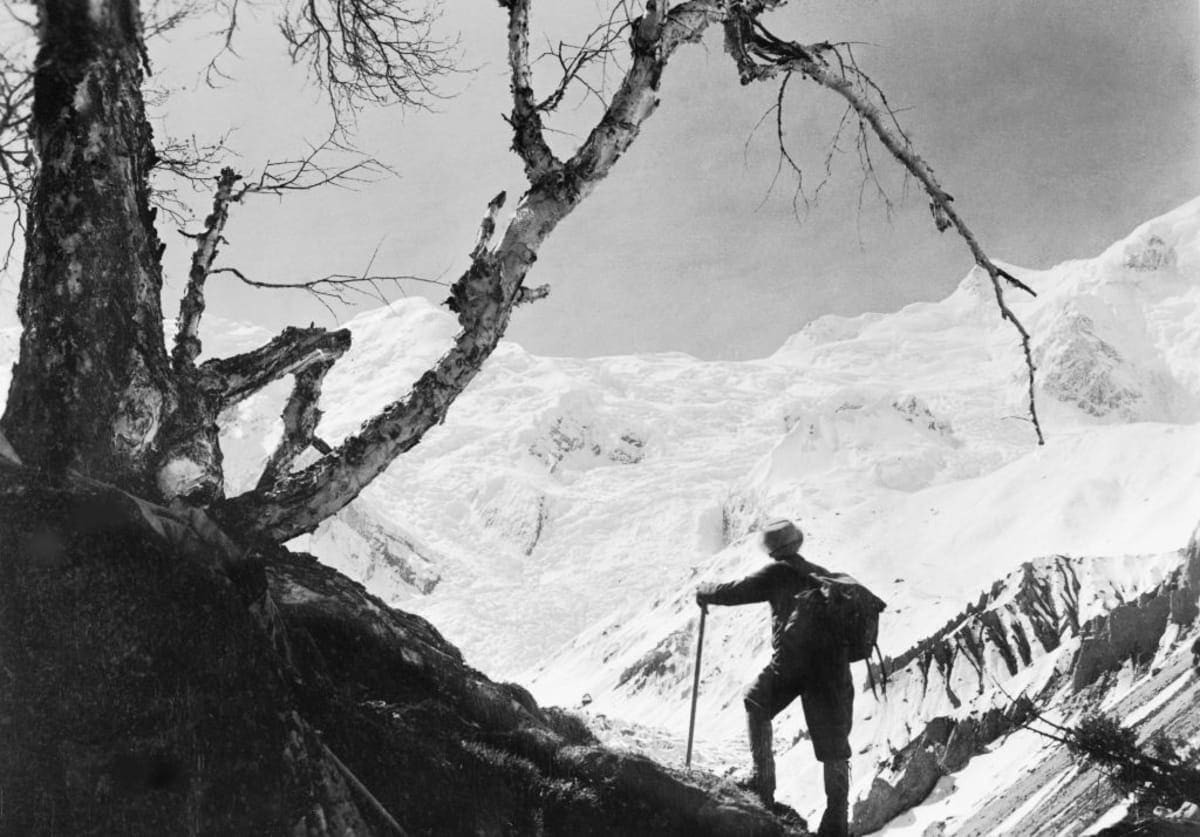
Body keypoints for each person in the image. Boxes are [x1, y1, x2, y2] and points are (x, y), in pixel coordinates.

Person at [696, 519, 852, 837]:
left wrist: (704, 591)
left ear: (772, 550)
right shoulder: (822, 574)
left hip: (793, 664)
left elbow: (735, 592)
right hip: (833, 669)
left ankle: (762, 784)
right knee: (834, 745)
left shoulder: (778, 573)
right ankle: (837, 820)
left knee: (757, 702)